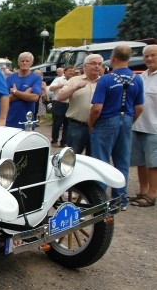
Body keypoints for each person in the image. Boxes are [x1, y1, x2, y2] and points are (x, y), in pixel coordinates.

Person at [89, 45, 145, 210]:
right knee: (122, 161)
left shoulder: (106, 79)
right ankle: (120, 199)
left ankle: (98, 200)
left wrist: (91, 123)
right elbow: (140, 107)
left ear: (113, 58)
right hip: (126, 119)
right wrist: (130, 120)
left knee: (101, 161)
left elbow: (97, 107)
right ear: (128, 58)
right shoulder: (137, 79)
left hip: (106, 120)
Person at [55, 55, 103, 155]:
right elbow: (60, 97)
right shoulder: (74, 80)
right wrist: (75, 88)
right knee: (72, 158)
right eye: (93, 63)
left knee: (94, 160)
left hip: (97, 126)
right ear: (85, 66)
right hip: (77, 126)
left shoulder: (104, 82)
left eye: (99, 64)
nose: (97, 66)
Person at [129, 44, 157, 208]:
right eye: (146, 56)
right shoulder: (141, 77)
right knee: (140, 161)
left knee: (153, 163)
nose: (149, 59)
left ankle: (152, 194)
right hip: (138, 125)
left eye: (153, 55)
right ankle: (143, 190)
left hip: (154, 128)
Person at [2, 52, 42, 128]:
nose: (24, 63)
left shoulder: (36, 78)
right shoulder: (10, 78)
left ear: (31, 63)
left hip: (27, 120)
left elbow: (34, 98)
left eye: (27, 61)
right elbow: (4, 99)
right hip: (10, 120)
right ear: (18, 62)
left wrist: (15, 92)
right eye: (22, 61)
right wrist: (25, 94)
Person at [48, 65, 74, 146]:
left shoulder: (75, 80)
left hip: (70, 104)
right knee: (57, 123)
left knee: (67, 124)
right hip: (59, 104)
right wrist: (61, 85)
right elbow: (50, 88)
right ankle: (54, 140)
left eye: (73, 71)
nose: (72, 72)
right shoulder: (59, 79)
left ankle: (64, 142)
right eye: (70, 71)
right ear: (65, 71)